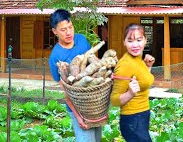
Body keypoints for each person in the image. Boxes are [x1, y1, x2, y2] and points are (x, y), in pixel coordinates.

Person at [48, 9, 102, 142]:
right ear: (55, 31)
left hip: (95, 103)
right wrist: (78, 116)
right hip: (77, 108)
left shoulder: (81, 40)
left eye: (70, 27)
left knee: (97, 139)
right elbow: (66, 92)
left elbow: (93, 62)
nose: (68, 32)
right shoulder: (55, 57)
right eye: (63, 30)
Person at [110, 23, 155, 142]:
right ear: (124, 42)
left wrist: (148, 67)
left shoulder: (138, 59)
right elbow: (114, 99)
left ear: (145, 40)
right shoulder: (125, 64)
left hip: (141, 116)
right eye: (130, 41)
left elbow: (143, 83)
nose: (135, 45)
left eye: (139, 40)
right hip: (132, 120)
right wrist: (130, 93)